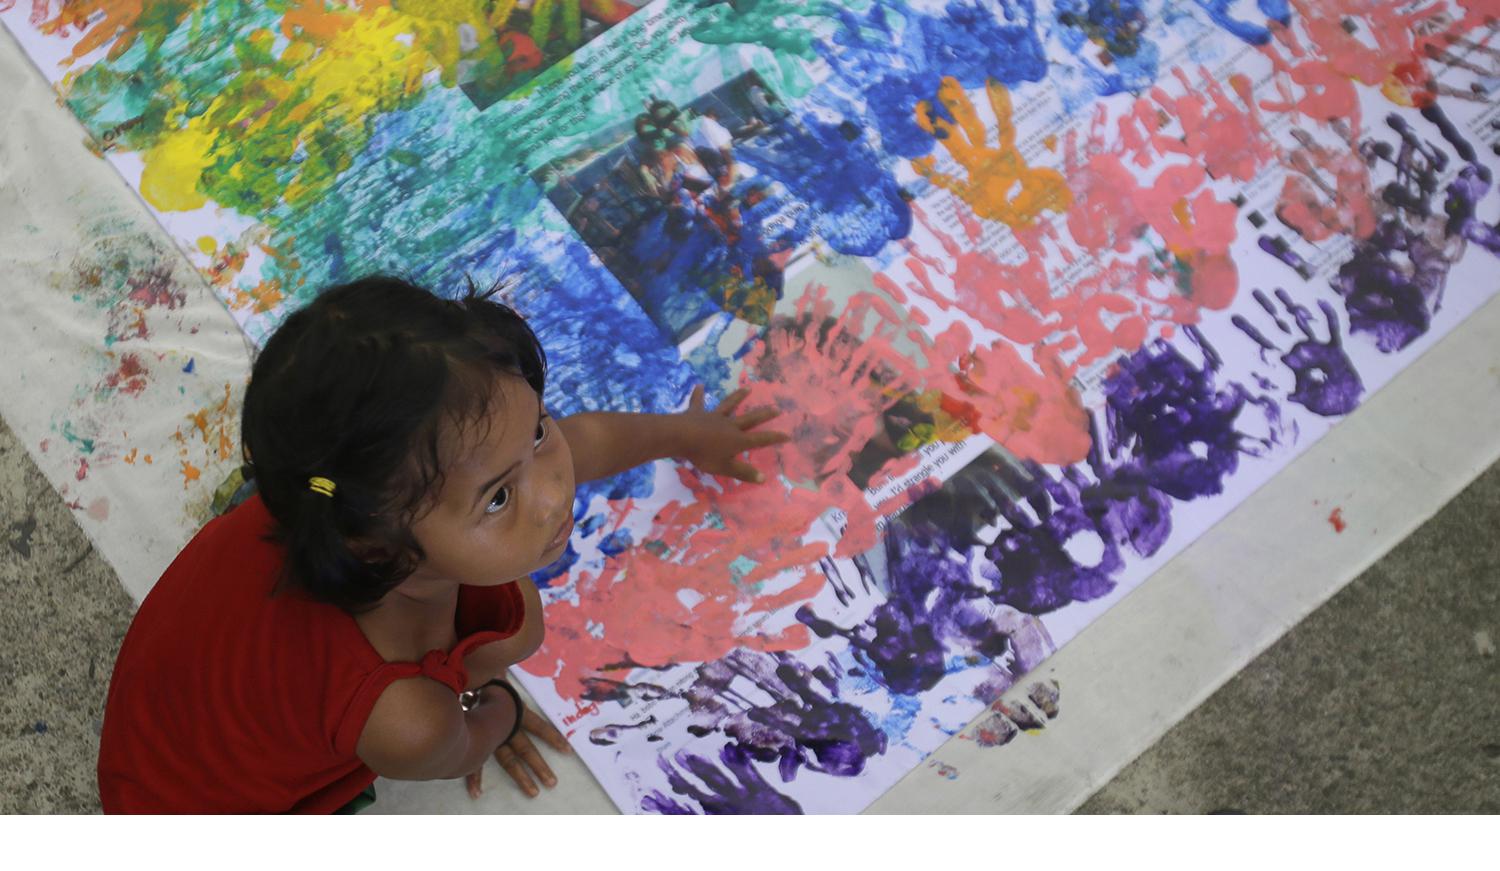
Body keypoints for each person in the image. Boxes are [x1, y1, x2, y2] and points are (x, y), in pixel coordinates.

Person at [96, 275, 789, 813]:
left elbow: (579, 442)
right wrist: (497, 712)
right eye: (498, 498)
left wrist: (686, 435)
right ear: (378, 546)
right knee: (515, 629)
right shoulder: (405, 717)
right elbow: (463, 740)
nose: (552, 493)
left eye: (537, 432)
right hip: (195, 809)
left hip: (186, 694)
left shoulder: (332, 490)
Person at [689, 107, 736, 186]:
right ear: (713, 117)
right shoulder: (712, 125)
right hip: (713, 164)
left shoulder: (703, 123)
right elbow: (729, 156)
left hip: (707, 162)